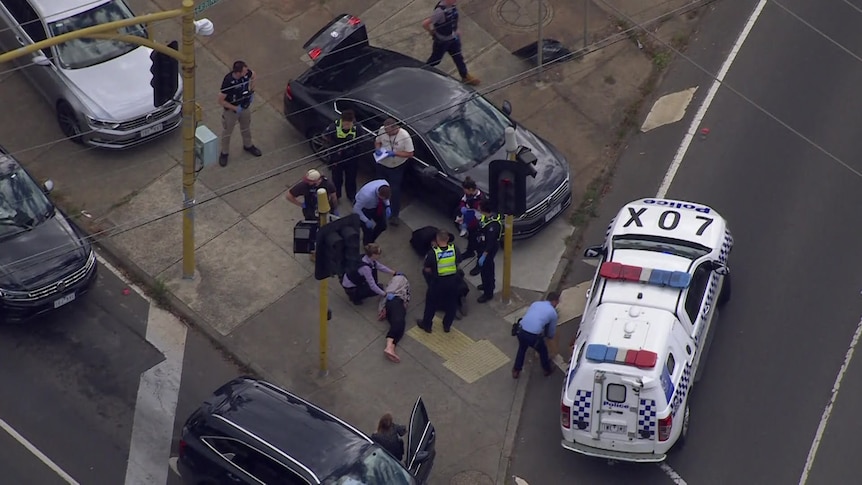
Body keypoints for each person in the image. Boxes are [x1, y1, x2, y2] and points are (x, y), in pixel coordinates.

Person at [422, 0, 480, 86]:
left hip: (453, 39)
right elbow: (425, 23)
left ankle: (465, 76)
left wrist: (455, 29)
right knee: (435, 60)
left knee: (459, 58)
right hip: (442, 42)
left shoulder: (452, 6)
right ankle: (422, 71)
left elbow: (453, 19)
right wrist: (431, 32)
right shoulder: (439, 11)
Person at [218, 60, 262, 166]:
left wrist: (252, 90)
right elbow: (220, 100)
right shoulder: (228, 81)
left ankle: (248, 145)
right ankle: (224, 153)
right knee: (227, 132)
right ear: (238, 72)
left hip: (244, 107)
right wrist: (234, 107)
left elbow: (254, 74)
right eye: (244, 71)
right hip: (231, 111)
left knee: (246, 128)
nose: (247, 72)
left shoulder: (246, 74)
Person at [416, 230, 462, 334]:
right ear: (447, 239)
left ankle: (426, 325)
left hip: (438, 283)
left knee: (431, 304)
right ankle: (447, 326)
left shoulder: (433, 253)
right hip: (453, 282)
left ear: (437, 239)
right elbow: (458, 262)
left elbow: (427, 268)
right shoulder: (454, 249)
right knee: (452, 304)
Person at [374, 119, 414, 226]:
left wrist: (395, 153)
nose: (386, 132)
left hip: (396, 167)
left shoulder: (404, 136)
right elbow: (378, 141)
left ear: (395, 128)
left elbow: (410, 153)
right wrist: (377, 149)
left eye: (389, 131)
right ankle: (378, 209)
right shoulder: (382, 130)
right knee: (380, 187)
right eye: (385, 130)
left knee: (395, 191)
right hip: (382, 164)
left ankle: (394, 215)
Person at [512, 292, 561, 379]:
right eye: (557, 302)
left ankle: (516, 370)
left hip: (520, 330)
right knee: (543, 351)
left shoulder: (536, 303)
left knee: (522, 349)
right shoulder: (553, 313)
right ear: (554, 301)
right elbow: (551, 333)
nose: (557, 304)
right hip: (532, 336)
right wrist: (548, 337)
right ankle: (547, 370)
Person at [323, 109, 362, 203]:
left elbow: (361, 141)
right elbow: (324, 135)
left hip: (351, 157)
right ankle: (337, 196)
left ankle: (351, 196)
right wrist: (333, 145)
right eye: (345, 124)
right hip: (337, 157)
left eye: (349, 124)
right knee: (337, 179)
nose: (347, 126)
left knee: (351, 178)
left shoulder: (358, 127)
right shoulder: (334, 127)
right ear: (341, 121)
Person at [377, 274, 410, 363]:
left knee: (400, 326)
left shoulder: (400, 282)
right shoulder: (400, 278)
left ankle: (391, 347)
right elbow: (388, 293)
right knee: (398, 322)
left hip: (397, 303)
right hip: (395, 301)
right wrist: (382, 308)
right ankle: (389, 346)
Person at [475, 200, 502, 303]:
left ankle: (488, 293)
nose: (478, 208)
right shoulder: (486, 217)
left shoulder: (492, 226)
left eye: (479, 206)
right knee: (486, 269)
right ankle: (489, 285)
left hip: (488, 250)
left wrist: (484, 255)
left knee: (487, 272)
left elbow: (490, 243)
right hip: (483, 246)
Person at [353, 179, 392, 245]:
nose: (384, 200)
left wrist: (387, 205)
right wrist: (366, 220)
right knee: (368, 231)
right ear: (379, 194)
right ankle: (367, 245)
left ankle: (371, 240)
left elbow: (385, 199)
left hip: (376, 206)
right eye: (383, 198)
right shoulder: (366, 196)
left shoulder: (385, 184)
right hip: (364, 209)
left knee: (382, 225)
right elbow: (356, 209)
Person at [455, 177, 485, 250]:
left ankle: (473, 249)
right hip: (468, 216)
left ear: (470, 189)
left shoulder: (480, 199)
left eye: (465, 189)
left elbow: (479, 213)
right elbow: (463, 201)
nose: (464, 191)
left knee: (473, 237)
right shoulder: (468, 195)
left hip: (475, 220)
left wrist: (467, 222)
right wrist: (462, 207)